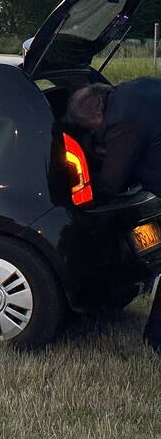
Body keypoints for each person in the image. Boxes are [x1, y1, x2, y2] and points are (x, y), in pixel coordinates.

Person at [67, 78, 161, 353]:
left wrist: (75, 192)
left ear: (97, 113)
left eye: (92, 129)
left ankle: (156, 340)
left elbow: (110, 183)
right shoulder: (134, 89)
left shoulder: (120, 121)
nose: (97, 135)